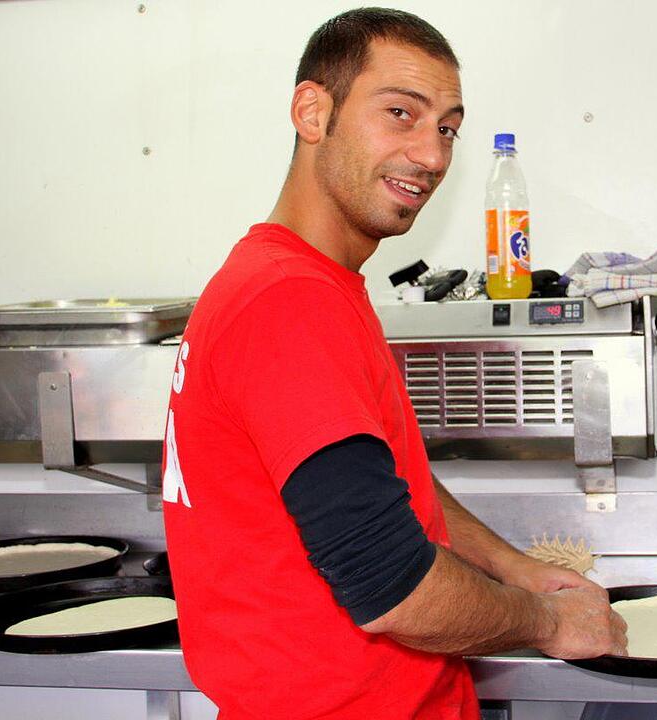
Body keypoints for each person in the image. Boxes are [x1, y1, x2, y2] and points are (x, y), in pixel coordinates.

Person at [161, 8, 628, 719]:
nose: (433, 156)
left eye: (446, 128)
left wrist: (512, 569)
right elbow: (390, 584)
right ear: (312, 112)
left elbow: (380, 488)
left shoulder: (308, 283)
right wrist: (549, 622)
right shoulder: (287, 301)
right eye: (400, 113)